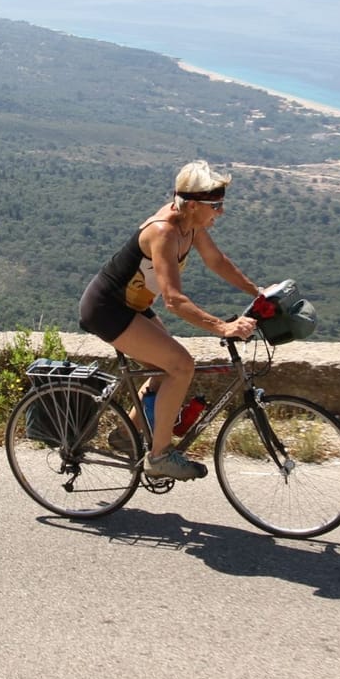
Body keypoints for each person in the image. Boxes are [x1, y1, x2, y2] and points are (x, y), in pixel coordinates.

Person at [78, 160, 261, 480]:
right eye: (215, 205)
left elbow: (217, 261)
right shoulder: (164, 232)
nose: (221, 212)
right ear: (191, 204)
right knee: (181, 364)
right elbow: (174, 301)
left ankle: (126, 434)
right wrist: (223, 326)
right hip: (107, 308)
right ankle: (159, 455)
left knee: (166, 364)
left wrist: (256, 292)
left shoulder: (191, 225)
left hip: (132, 305)